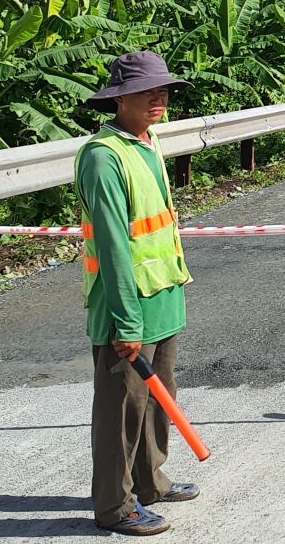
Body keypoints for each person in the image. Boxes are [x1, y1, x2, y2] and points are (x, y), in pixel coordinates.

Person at [77, 51, 199, 536]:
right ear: (119, 98)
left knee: (157, 398)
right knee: (120, 411)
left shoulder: (148, 143)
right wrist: (125, 323)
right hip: (124, 309)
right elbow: (111, 247)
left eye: (163, 88)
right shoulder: (104, 157)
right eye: (147, 90)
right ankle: (115, 505)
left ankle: (150, 482)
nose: (159, 96)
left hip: (161, 298)